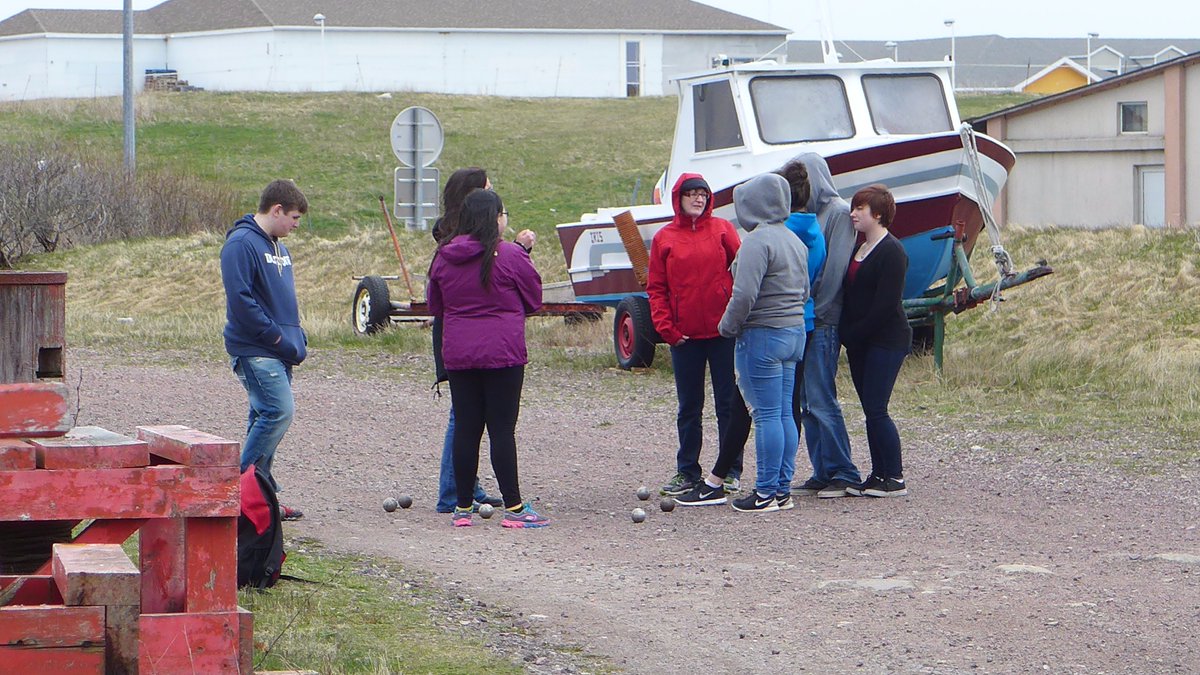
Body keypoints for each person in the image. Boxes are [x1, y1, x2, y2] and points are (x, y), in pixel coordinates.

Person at [427, 189, 548, 527]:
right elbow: (534, 299)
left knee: (466, 427)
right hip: (503, 353)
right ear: (495, 219)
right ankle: (514, 508)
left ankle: (462, 509)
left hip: (459, 353)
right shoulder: (510, 255)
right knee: (501, 430)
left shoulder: (443, 257)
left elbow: (436, 306)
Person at [646, 173, 743, 497]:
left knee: (728, 404)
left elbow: (742, 270)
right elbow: (656, 288)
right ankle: (687, 470)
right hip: (684, 336)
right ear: (679, 198)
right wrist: (666, 329)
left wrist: (735, 316)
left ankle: (730, 470)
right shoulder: (665, 238)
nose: (698, 199)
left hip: (722, 333)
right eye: (692, 194)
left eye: (703, 193)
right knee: (689, 407)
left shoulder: (723, 230)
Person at [717, 173, 809, 513]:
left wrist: (727, 327)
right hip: (793, 332)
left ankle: (766, 492)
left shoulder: (757, 241)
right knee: (785, 412)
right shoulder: (794, 241)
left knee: (767, 415)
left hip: (763, 334)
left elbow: (744, 295)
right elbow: (805, 292)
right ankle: (782, 489)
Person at [220, 179, 309, 521]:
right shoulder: (240, 245)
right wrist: (275, 338)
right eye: (294, 218)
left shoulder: (279, 248)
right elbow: (241, 302)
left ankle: (260, 498)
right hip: (255, 348)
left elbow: (282, 299)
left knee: (262, 418)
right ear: (276, 210)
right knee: (278, 412)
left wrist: (296, 337)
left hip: (281, 350)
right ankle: (235, 493)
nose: (296, 225)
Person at [431, 167, 503, 514]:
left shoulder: (452, 237)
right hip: (459, 337)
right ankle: (451, 492)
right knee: (462, 417)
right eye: (487, 190)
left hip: (458, 336)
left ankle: (467, 485)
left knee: (468, 417)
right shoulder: (453, 242)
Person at [792, 153, 864, 499]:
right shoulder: (807, 214)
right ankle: (822, 469)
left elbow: (835, 270)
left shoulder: (837, 212)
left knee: (821, 397)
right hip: (805, 318)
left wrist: (816, 310)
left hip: (822, 319)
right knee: (807, 399)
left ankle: (844, 470)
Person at [839, 184, 911, 497]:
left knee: (878, 408)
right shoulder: (860, 247)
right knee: (869, 409)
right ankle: (878, 473)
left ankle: (894, 476)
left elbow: (885, 305)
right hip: (861, 342)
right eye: (853, 207)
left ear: (878, 214)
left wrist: (853, 333)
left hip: (886, 340)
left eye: (860, 209)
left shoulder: (893, 251)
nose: (853, 214)